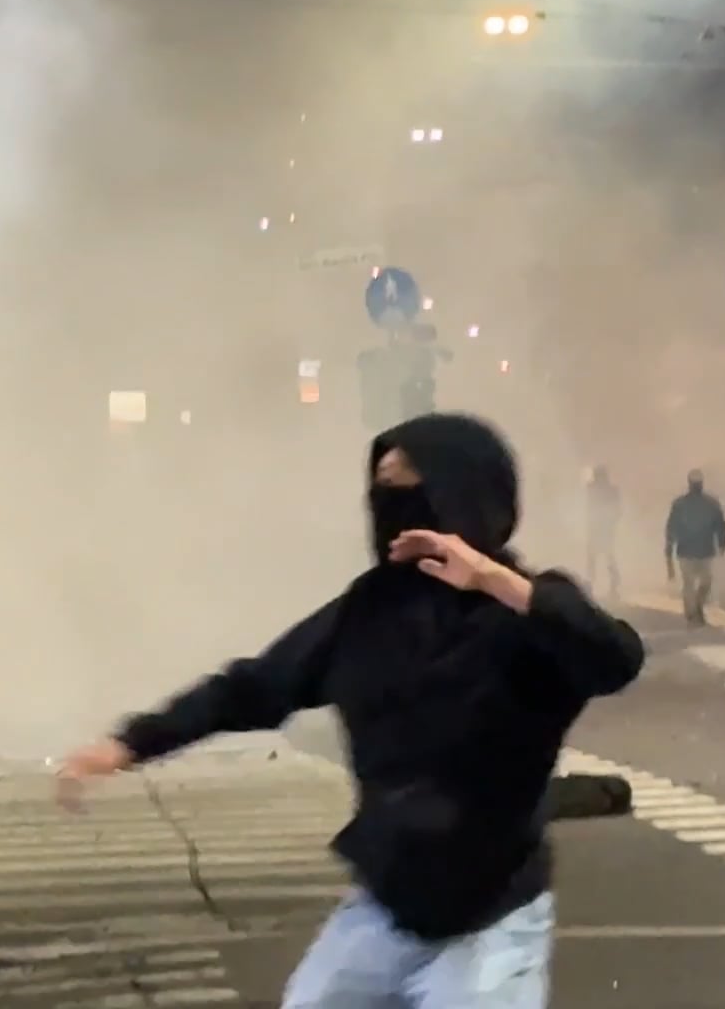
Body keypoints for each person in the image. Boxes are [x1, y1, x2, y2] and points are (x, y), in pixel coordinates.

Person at [55, 413, 644, 1008]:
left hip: (489, 924)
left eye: (410, 483)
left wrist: (494, 579)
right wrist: (131, 744)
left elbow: (615, 658)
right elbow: (255, 686)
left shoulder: (529, 615)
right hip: (385, 909)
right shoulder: (368, 610)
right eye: (382, 484)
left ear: (463, 494)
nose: (391, 501)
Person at [664, 469, 725, 626]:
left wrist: (722, 542)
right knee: (694, 583)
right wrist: (722, 542)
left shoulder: (702, 503)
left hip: (694, 549)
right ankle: (693, 613)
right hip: (695, 549)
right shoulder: (684, 504)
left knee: (701, 583)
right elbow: (720, 524)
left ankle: (695, 608)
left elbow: (720, 524)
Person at [585, 465, 622, 598]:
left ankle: (595, 583)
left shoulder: (594, 489)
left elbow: (616, 511)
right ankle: (612, 584)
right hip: (602, 528)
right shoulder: (611, 490)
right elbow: (617, 511)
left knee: (597, 558)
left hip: (600, 528)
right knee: (605, 557)